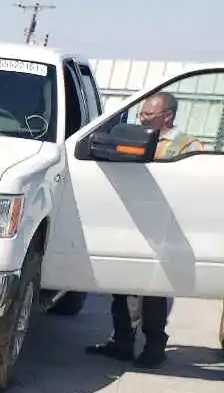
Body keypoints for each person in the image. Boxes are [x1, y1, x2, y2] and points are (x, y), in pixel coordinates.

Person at [85, 91, 203, 368]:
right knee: (123, 287)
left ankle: (154, 346)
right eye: (142, 113)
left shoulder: (189, 147)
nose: (142, 118)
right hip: (133, 225)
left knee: (153, 290)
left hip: (164, 229)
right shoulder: (133, 139)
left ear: (168, 116)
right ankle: (121, 343)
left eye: (148, 114)